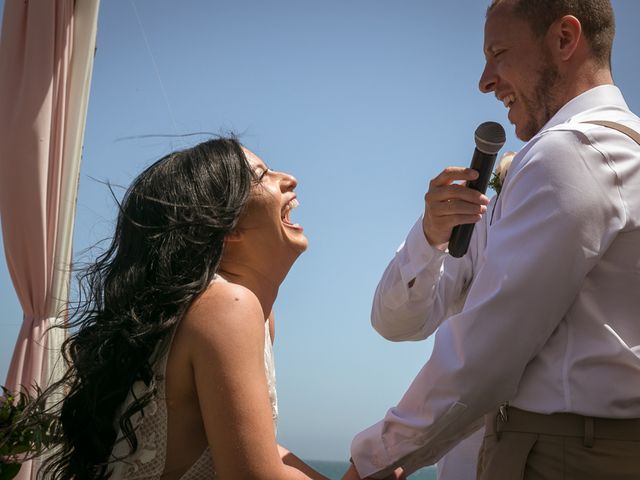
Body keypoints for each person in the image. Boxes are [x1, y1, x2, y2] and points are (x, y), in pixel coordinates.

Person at [344, 1, 640, 479]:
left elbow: (485, 355)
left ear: (565, 39)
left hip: (557, 457)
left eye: (498, 53)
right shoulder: (628, 147)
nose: (484, 80)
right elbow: (396, 320)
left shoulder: (570, 153)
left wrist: (374, 461)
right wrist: (429, 237)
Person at [41, 138, 329, 479]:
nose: (289, 178)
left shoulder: (248, 315)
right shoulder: (227, 307)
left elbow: (248, 444)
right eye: (261, 174)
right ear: (228, 226)